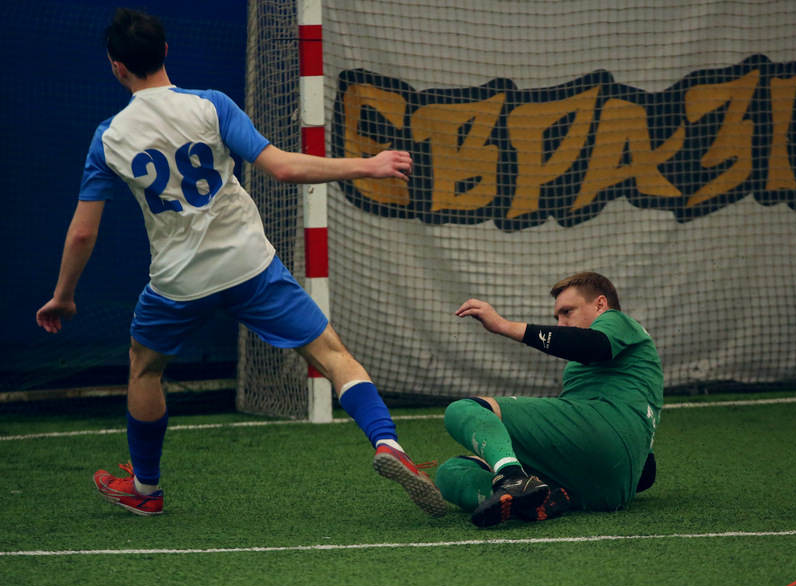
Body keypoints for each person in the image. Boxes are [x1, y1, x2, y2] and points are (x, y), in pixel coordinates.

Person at [35, 8, 444, 518]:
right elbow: (284, 168)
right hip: (251, 267)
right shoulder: (212, 105)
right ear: (165, 51)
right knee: (332, 354)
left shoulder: (109, 137)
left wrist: (63, 296)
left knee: (144, 368)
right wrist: (368, 164)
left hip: (178, 282)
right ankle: (388, 444)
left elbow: (82, 232)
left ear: (117, 68)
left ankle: (145, 487)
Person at [436, 272, 662, 528]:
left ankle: (512, 477)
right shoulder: (627, 368)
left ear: (600, 304)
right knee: (450, 473)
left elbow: (590, 345)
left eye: (568, 312)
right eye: (557, 317)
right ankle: (532, 499)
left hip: (601, 431)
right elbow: (647, 475)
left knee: (464, 409)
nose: (561, 323)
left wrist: (501, 325)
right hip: (609, 489)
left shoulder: (618, 321)